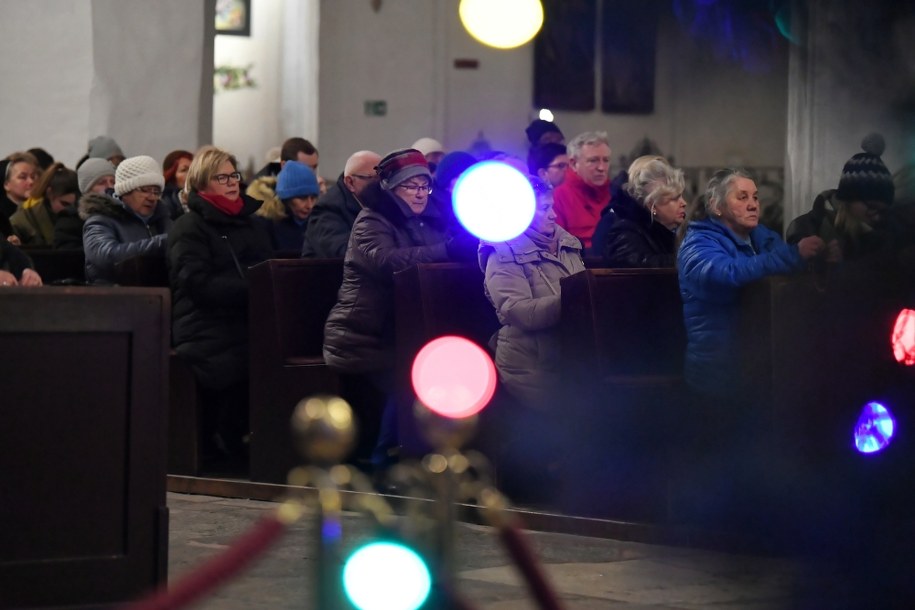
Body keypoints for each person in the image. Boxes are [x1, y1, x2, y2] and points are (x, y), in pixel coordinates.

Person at [323, 148, 456, 471]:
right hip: (363, 334)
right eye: (412, 186)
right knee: (410, 375)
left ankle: (428, 455)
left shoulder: (425, 220)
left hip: (402, 329)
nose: (420, 193)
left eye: (425, 186)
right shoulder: (372, 220)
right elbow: (388, 262)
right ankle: (384, 461)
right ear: (392, 188)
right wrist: (446, 249)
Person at [168, 145, 273, 468]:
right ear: (201, 183)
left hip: (245, 317)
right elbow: (196, 283)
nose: (231, 183)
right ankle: (225, 441)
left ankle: (267, 442)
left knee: (277, 353)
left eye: (234, 175)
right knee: (233, 357)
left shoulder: (252, 224)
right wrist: (252, 290)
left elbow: (268, 267)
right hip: (204, 323)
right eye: (221, 177)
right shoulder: (190, 228)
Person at [679, 168, 825, 400]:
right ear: (717, 206)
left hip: (762, 367)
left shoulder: (763, 237)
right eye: (742, 197)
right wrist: (793, 255)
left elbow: (791, 272)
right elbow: (725, 274)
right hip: (718, 374)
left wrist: (822, 258)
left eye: (755, 197)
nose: (753, 204)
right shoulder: (698, 244)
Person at [479, 177, 585, 410]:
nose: (553, 215)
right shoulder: (503, 254)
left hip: (568, 355)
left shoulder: (566, 243)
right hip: (531, 361)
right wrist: (575, 301)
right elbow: (517, 311)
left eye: (552, 207)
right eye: (544, 208)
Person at [786, 134, 894, 263]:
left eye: (882, 211)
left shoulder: (886, 234)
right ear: (849, 199)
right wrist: (814, 258)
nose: (877, 217)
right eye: (872, 207)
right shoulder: (811, 225)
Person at [80, 155, 172, 284]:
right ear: (125, 191)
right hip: (115, 298)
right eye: (145, 190)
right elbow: (107, 257)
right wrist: (160, 243)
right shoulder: (100, 220)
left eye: (156, 191)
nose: (152, 198)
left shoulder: (163, 219)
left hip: (159, 297)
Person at [602, 156, 686, 268]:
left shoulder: (668, 232)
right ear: (652, 205)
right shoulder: (624, 232)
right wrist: (690, 260)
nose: (684, 203)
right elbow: (642, 268)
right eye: (674, 199)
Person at [301, 150, 381, 258]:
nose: (381, 185)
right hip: (328, 273)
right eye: (373, 179)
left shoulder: (378, 202)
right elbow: (342, 252)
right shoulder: (327, 209)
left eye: (384, 178)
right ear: (350, 182)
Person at [552, 131, 612, 250]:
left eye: (606, 160)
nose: (601, 168)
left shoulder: (616, 195)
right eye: (593, 160)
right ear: (574, 164)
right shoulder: (558, 197)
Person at [254, 160, 319, 252]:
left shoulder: (318, 223)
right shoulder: (265, 226)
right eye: (302, 198)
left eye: (313, 198)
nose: (310, 205)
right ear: (286, 198)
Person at [54, 158, 117, 250]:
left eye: (113, 182)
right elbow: (67, 257)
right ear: (87, 190)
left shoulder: (124, 214)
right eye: (101, 183)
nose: (110, 187)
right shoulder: (70, 220)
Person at [10, 162, 80, 246]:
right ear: (49, 193)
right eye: (64, 204)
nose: (71, 209)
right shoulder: (23, 220)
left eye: (75, 204)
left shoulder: (83, 215)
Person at [161, 149, 193, 219]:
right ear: (171, 176)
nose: (191, 174)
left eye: (194, 169)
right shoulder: (165, 205)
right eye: (184, 170)